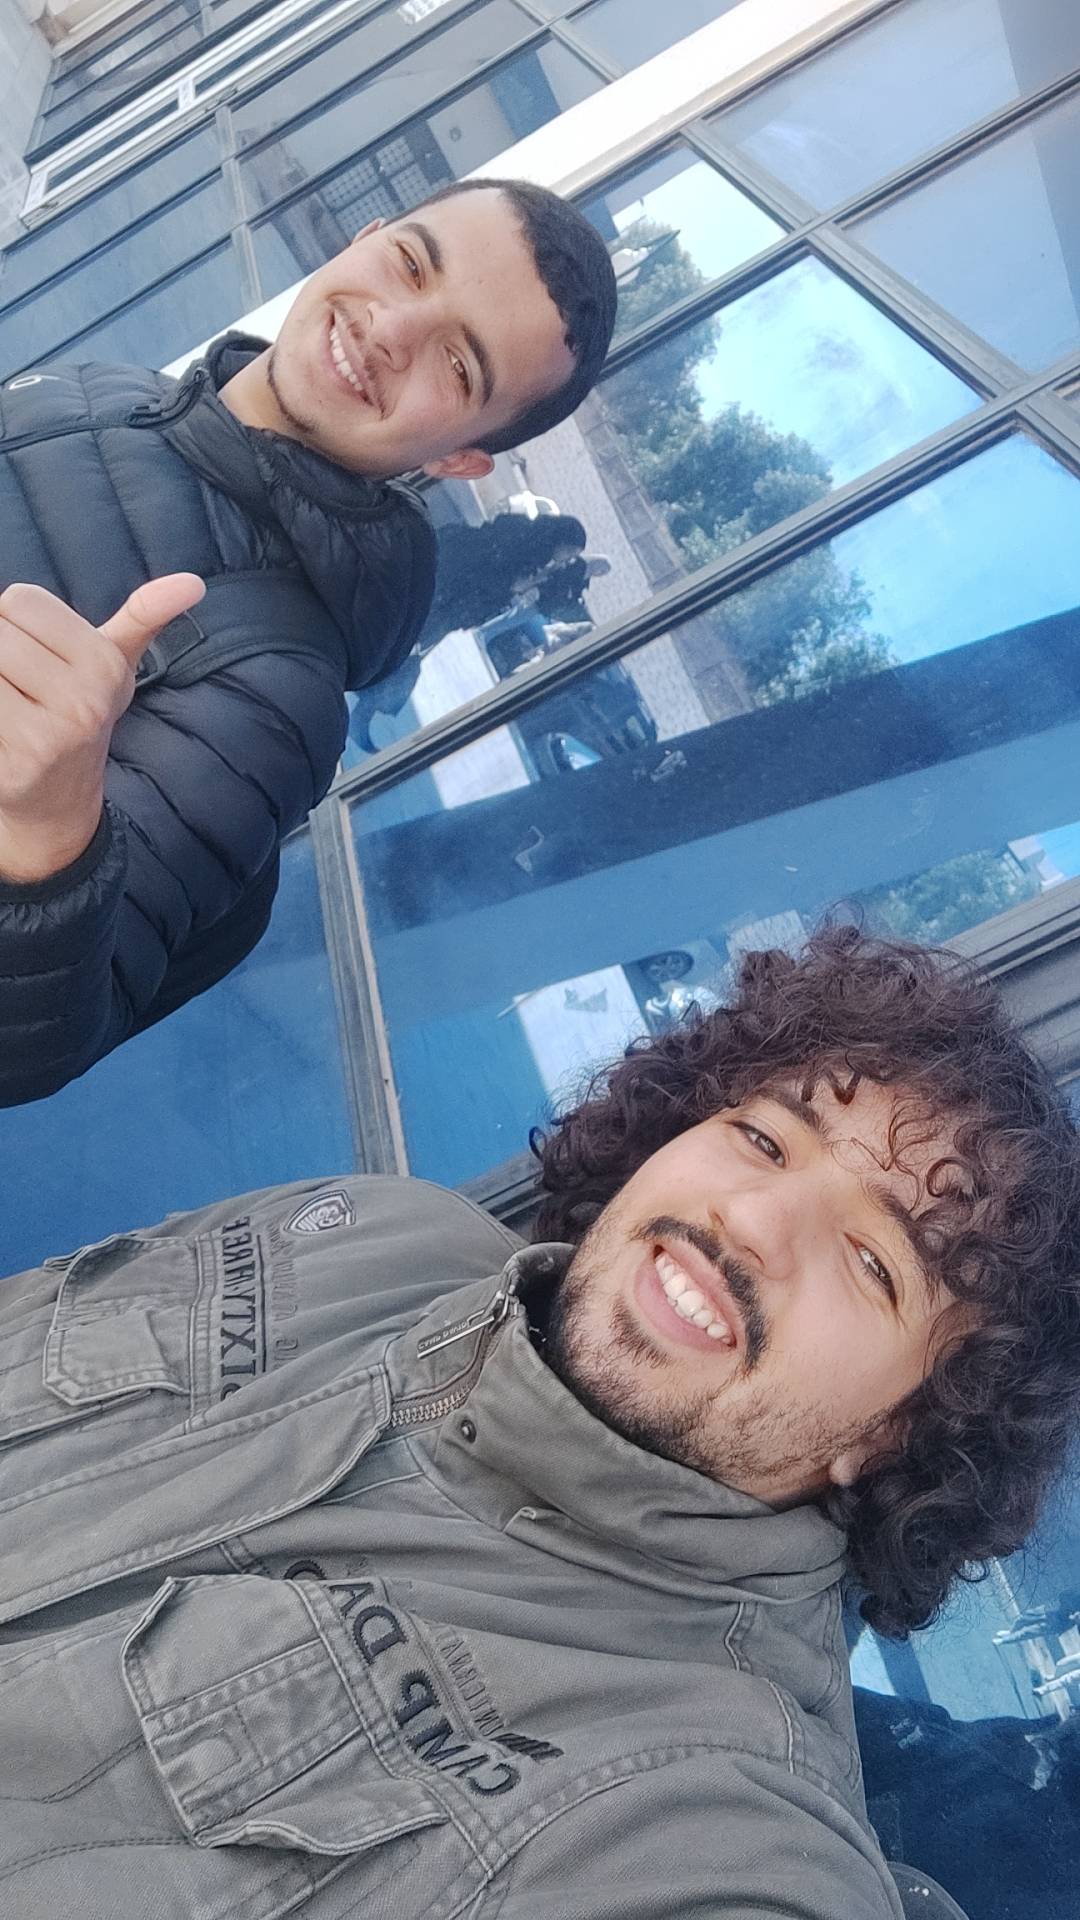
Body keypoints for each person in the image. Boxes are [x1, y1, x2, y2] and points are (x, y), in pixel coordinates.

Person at [3, 926, 1079, 1917]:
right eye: (763, 1138)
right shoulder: (376, 1229)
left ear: (904, 1433)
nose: (752, 1219)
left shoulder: (713, 1832)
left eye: (871, 1262)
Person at [0, 177, 617, 1105]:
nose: (391, 329)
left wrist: (45, 837)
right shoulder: (115, 390)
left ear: (459, 459)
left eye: (457, 365)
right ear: (366, 234)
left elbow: (31, 1047)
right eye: (410, 264)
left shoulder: (276, 699)